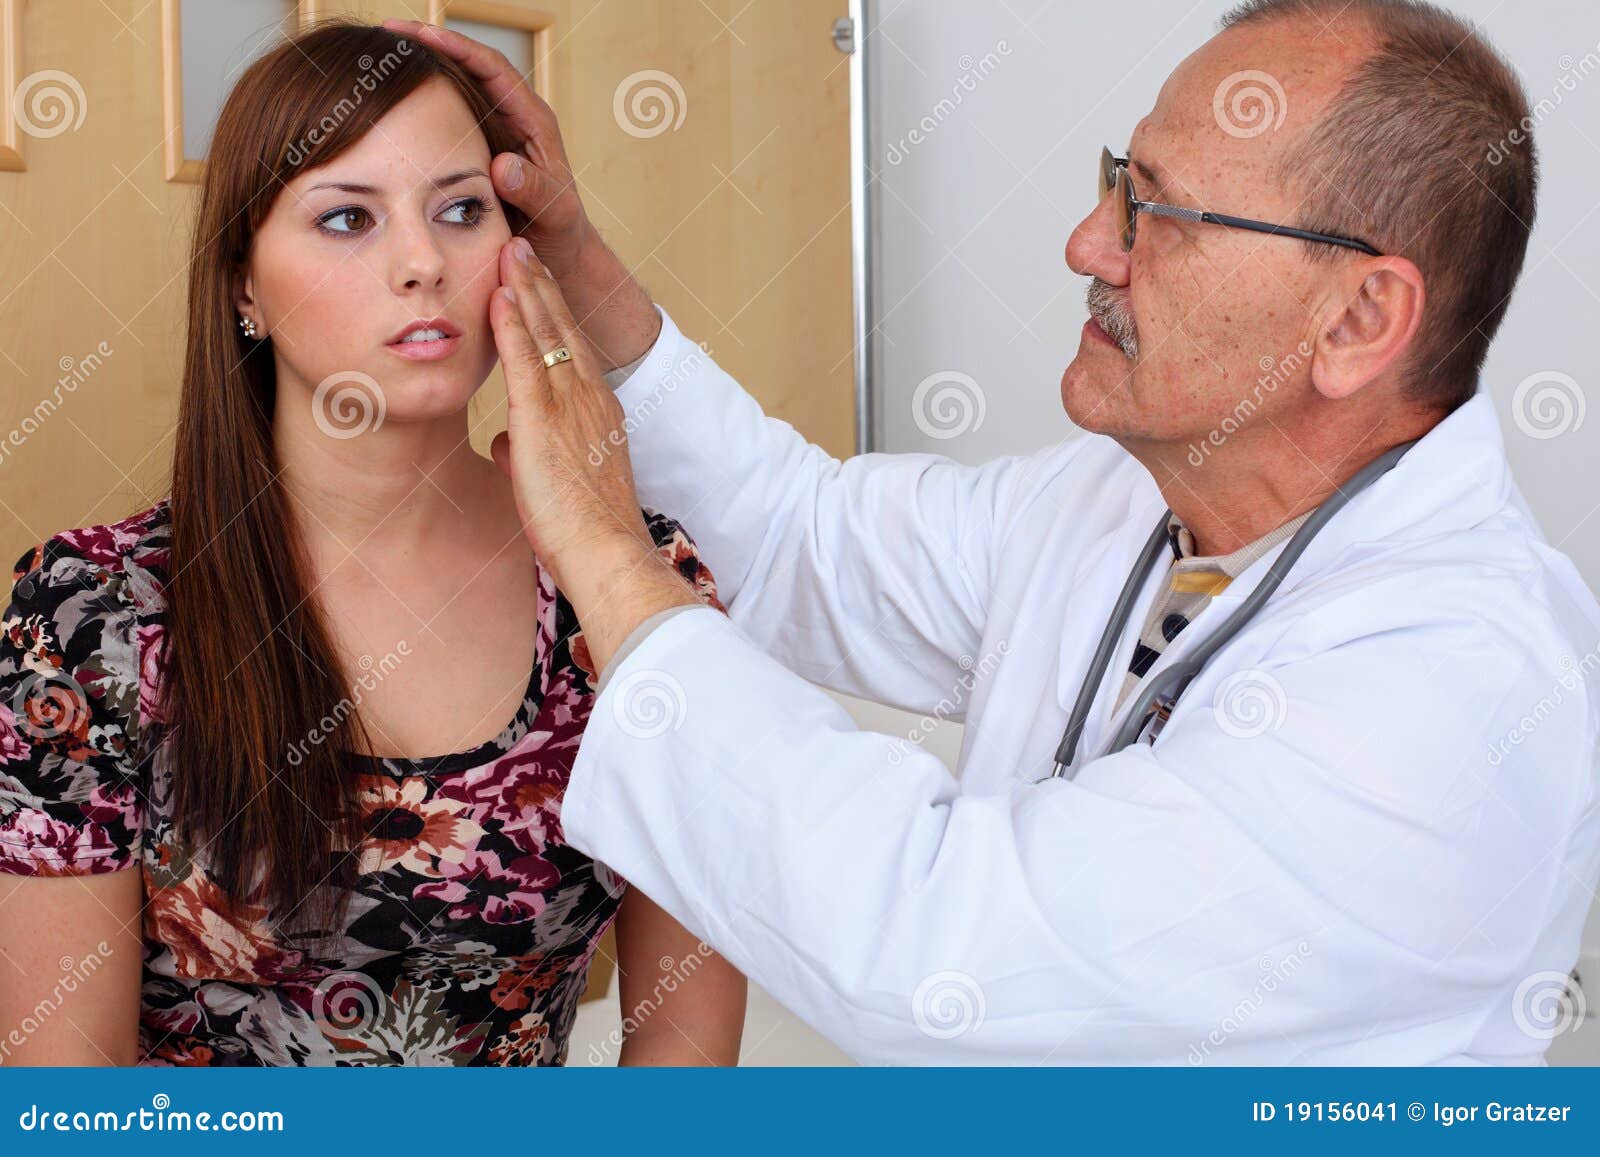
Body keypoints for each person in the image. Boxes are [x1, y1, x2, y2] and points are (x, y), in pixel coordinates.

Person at [398, 0, 1600, 1066]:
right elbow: (799, 536)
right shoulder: (1118, 501)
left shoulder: (1452, 689)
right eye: (1115, 180)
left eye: (1159, 213)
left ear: (1358, 316)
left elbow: (938, 959)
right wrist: (572, 259)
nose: (1088, 246)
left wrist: (604, 555)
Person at [0, 21, 745, 1067]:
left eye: (461, 210)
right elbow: (63, 1094)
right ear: (245, 288)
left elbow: (685, 1049)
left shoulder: (632, 589)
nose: (421, 262)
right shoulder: (92, 612)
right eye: (347, 216)